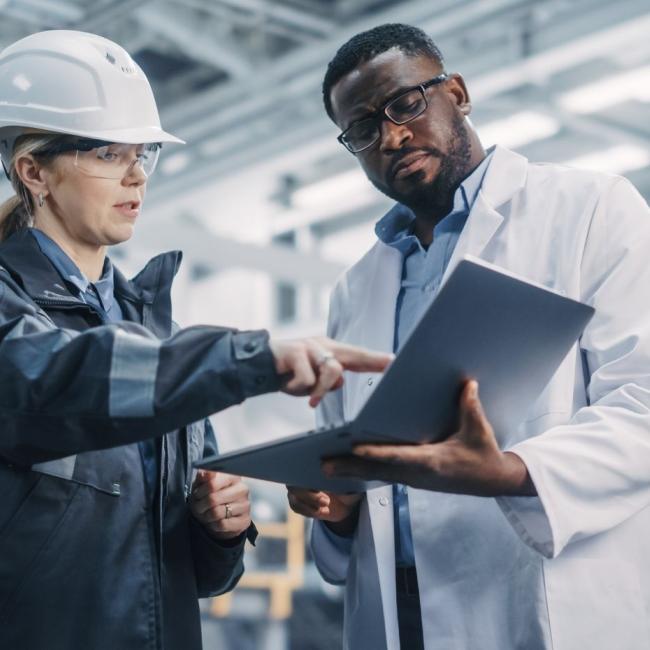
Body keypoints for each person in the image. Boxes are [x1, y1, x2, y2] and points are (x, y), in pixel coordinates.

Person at [0, 30, 392, 650]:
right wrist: (251, 355)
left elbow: (198, 578)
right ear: (33, 172)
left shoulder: (157, 334)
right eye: (108, 155)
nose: (136, 176)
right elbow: (57, 382)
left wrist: (218, 530)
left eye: (143, 155)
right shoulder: (14, 310)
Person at [287, 23, 650, 650]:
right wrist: (337, 510)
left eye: (406, 103)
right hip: (400, 618)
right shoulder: (354, 288)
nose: (393, 136)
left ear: (457, 91)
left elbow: (642, 403)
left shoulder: (590, 210)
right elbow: (365, 468)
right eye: (364, 130)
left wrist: (511, 471)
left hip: (538, 598)